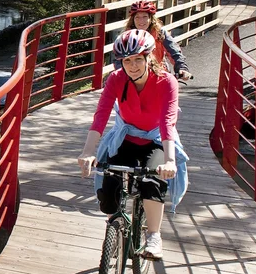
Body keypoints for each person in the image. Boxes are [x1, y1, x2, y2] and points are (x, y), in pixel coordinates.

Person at [78, 29, 189, 260]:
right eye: (127, 60)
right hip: (125, 137)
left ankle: (154, 235)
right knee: (108, 185)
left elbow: (168, 122)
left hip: (156, 139)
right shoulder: (116, 79)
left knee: (152, 181)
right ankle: (115, 226)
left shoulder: (166, 81)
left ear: (149, 57)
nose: (133, 65)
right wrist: (88, 152)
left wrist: (169, 160)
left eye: (139, 58)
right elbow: (101, 115)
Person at [113, 0, 193, 82]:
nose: (141, 21)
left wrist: (181, 67)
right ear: (133, 19)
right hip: (134, 76)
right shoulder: (126, 37)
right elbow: (119, 59)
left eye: (145, 17)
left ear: (151, 19)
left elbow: (174, 52)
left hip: (158, 74)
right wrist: (123, 75)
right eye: (137, 17)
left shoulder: (160, 33)